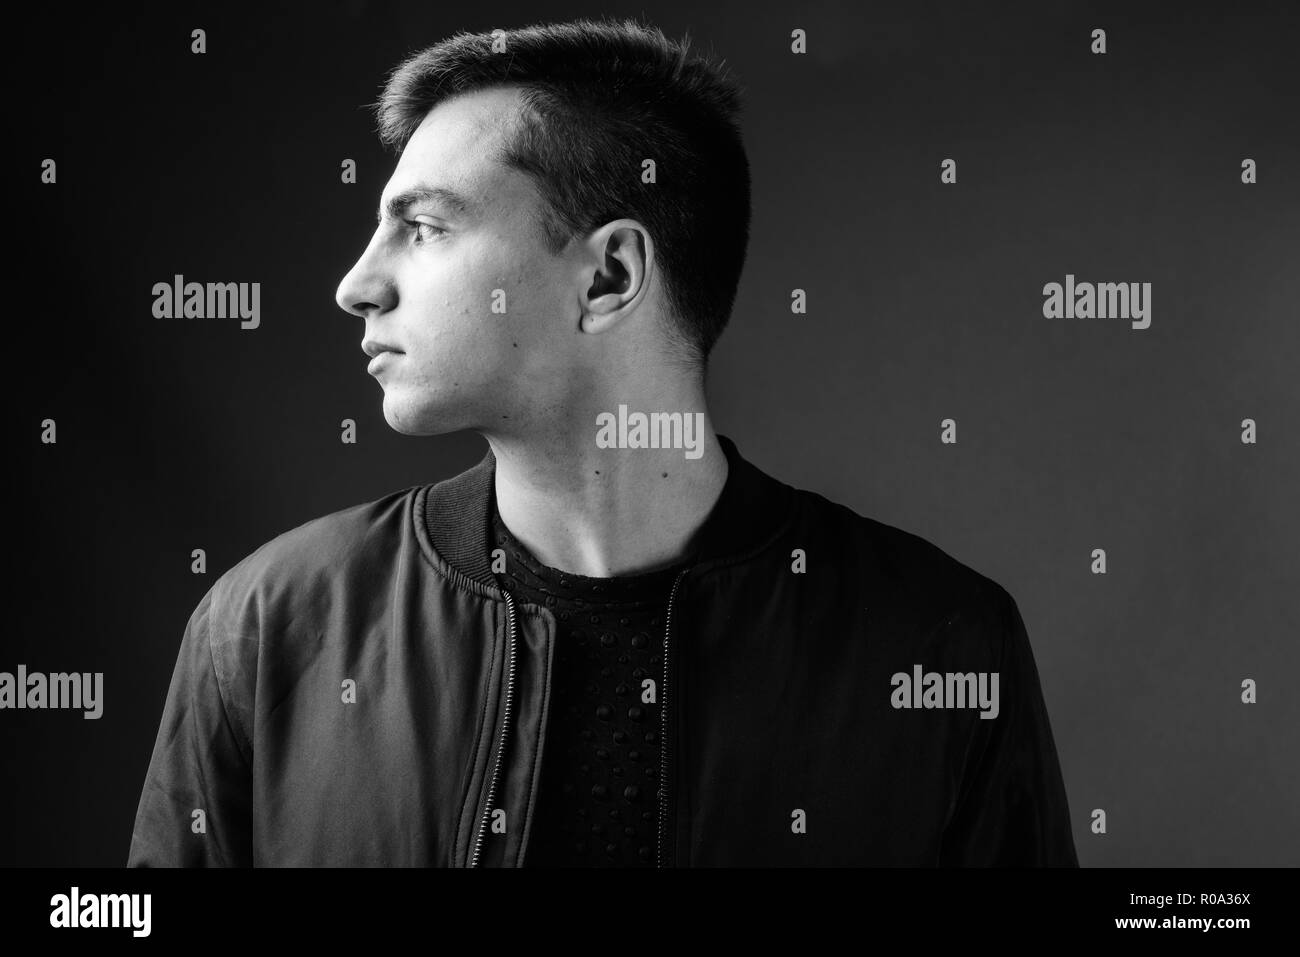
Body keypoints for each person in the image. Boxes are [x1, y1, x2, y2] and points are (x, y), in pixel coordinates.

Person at [128, 16, 1078, 867]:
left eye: (421, 227)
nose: (356, 283)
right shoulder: (267, 627)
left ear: (608, 275)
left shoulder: (940, 645)